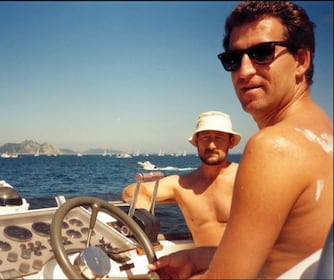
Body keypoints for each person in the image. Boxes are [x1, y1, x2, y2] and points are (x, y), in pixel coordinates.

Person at [148, 1, 333, 279]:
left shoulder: (273, 146)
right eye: (233, 59)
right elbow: (289, 253)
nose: (244, 72)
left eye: (262, 53)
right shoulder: (323, 136)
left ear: (301, 61)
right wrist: (198, 256)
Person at [122, 110, 241, 247]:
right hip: (203, 266)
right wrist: (145, 216)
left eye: (219, 138)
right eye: (205, 138)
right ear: (196, 142)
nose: (211, 145)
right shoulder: (182, 184)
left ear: (231, 142)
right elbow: (130, 191)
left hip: (246, 267)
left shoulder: (244, 178)